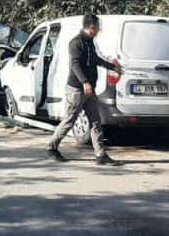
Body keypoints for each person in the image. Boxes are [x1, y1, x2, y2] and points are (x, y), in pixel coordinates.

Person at [47, 15, 124, 165]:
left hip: (90, 91)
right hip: (76, 89)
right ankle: (52, 147)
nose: (99, 30)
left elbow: (95, 59)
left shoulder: (90, 42)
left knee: (96, 121)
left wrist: (112, 67)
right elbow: (74, 64)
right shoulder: (76, 43)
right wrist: (85, 82)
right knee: (70, 120)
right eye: (98, 27)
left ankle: (100, 155)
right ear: (91, 27)